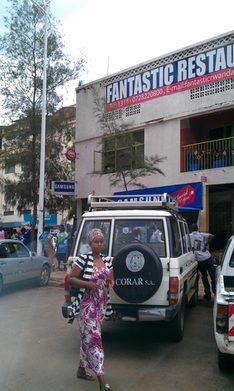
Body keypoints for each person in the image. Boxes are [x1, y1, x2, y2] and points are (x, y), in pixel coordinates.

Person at [69, 228, 114, 391]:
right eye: (96, 241)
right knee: (94, 339)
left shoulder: (108, 260)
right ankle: (102, 381)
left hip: (101, 304)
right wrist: (88, 284)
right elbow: (71, 278)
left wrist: (110, 283)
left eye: (101, 241)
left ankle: (81, 370)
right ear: (90, 243)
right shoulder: (83, 259)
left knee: (87, 338)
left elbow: (111, 278)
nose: (99, 244)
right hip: (87, 306)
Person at [190, 223, 216, 301]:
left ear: (191, 229)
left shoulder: (188, 236)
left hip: (200, 260)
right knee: (213, 276)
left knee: (204, 276)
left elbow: (179, 241)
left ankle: (208, 295)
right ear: (197, 228)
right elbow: (212, 236)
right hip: (208, 258)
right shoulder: (202, 235)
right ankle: (216, 293)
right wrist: (206, 244)